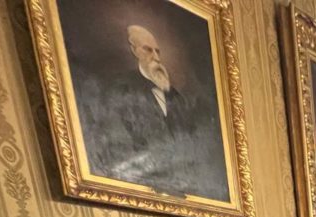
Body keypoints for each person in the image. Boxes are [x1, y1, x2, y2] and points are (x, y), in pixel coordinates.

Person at [86, 25, 226, 200]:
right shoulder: (120, 88)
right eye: (148, 50)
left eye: (158, 52)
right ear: (134, 50)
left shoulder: (175, 97)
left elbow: (191, 142)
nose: (156, 58)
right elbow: (115, 144)